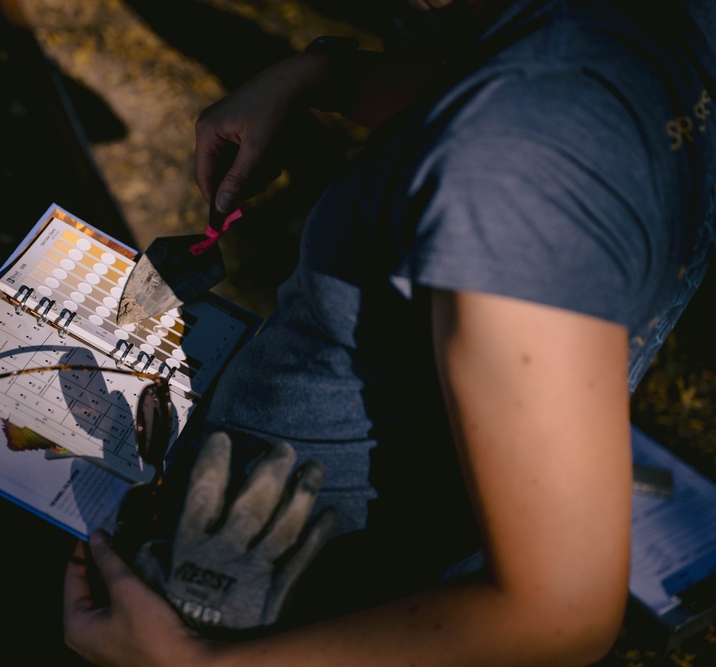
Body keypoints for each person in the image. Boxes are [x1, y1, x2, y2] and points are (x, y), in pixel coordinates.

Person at [60, 0, 716, 666]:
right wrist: (332, 78)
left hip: (308, 595)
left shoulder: (513, 178)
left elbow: (560, 613)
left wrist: (194, 661)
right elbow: (530, 91)